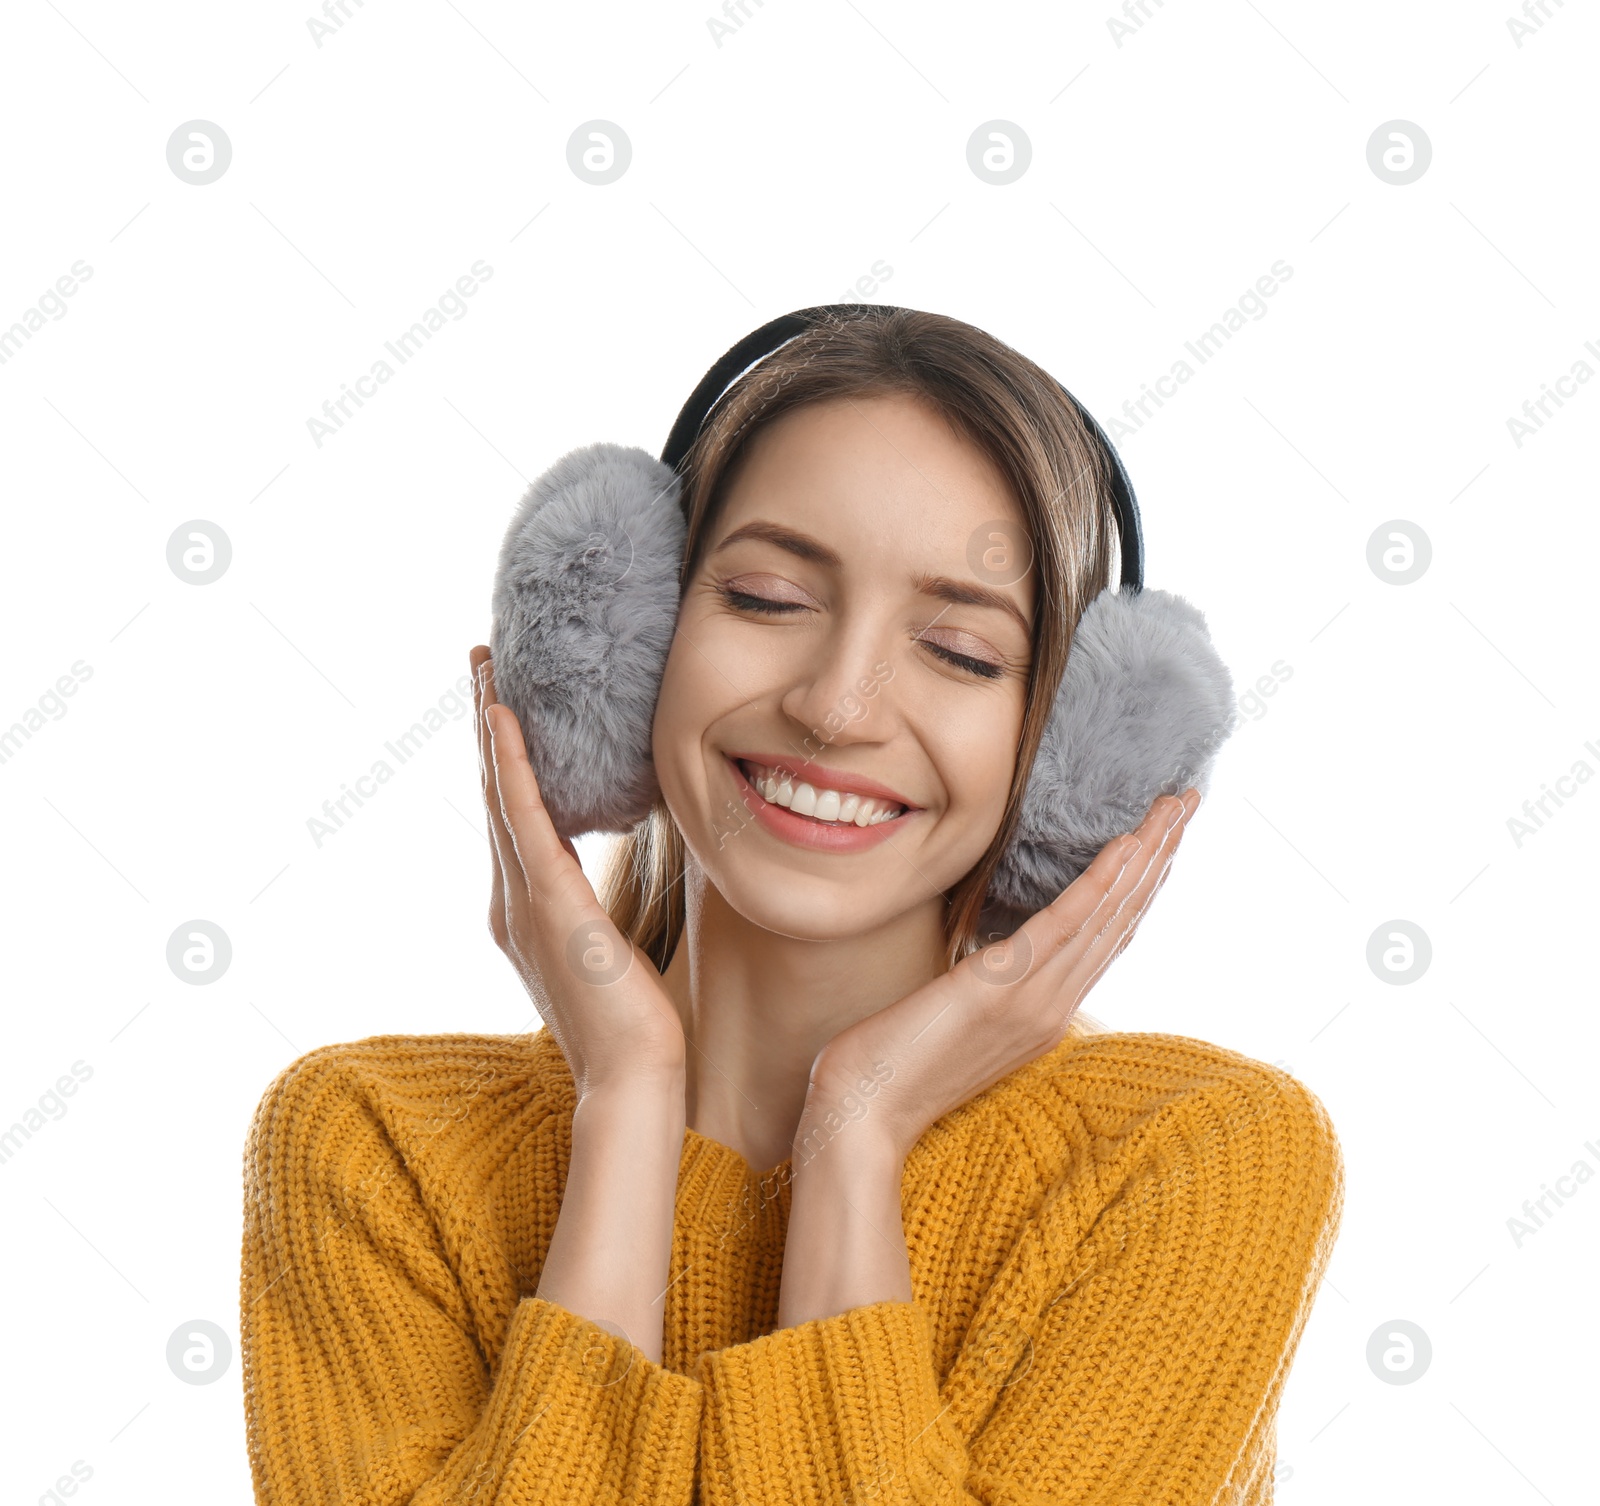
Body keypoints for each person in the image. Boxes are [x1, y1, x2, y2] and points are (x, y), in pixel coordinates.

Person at [240, 308, 1342, 1504]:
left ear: (1070, 749)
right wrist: (626, 1105)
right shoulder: (374, 1147)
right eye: (767, 598)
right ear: (634, 641)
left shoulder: (1189, 1161)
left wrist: (855, 1136)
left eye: (963, 654)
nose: (836, 708)